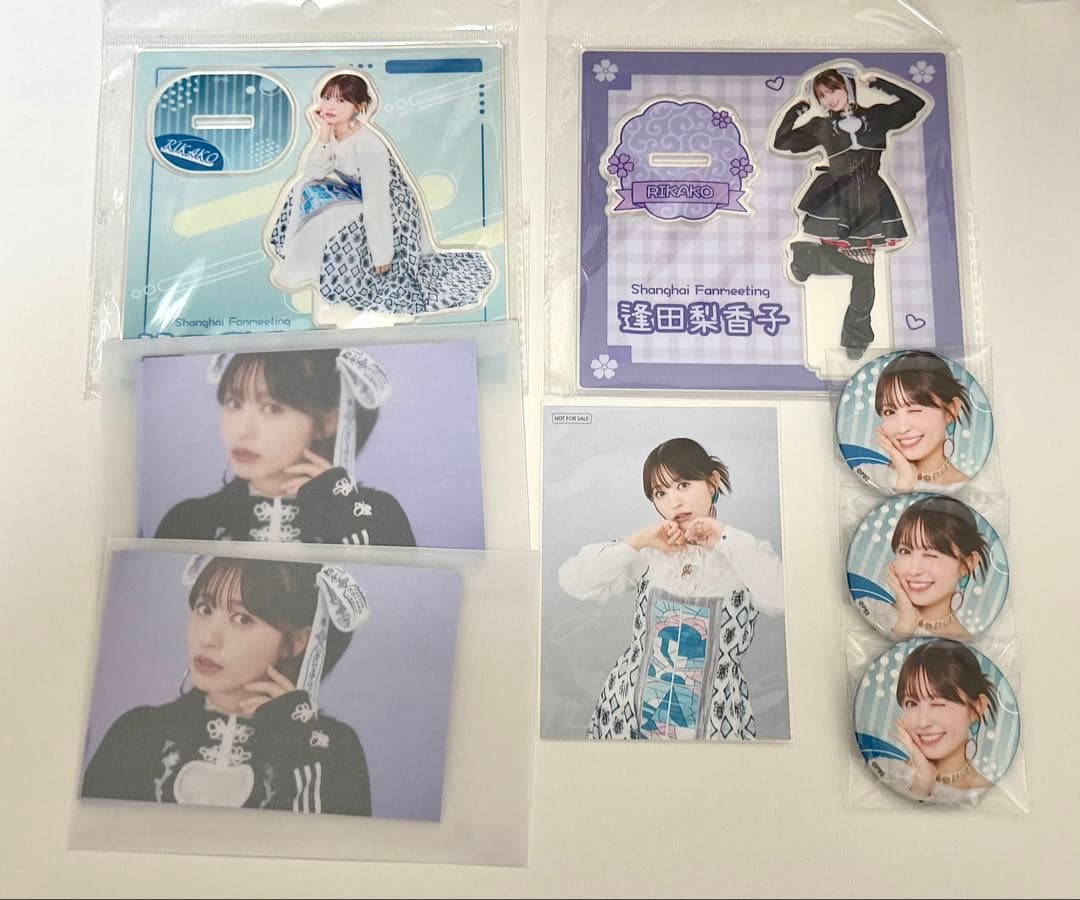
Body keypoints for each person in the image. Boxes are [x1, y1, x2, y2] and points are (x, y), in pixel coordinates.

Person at [82, 557, 373, 816]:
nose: (208, 638)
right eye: (204, 608)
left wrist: (295, 743)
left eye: (242, 619)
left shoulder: (333, 750)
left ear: (295, 643)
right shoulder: (137, 732)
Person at [558, 438, 783, 740]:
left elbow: (782, 598)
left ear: (713, 482)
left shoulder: (742, 553)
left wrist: (722, 537)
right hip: (625, 720)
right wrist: (639, 540)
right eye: (660, 493)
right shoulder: (651, 554)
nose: (673, 502)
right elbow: (573, 580)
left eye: (683, 485)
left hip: (714, 728)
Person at [267, 71, 493, 318]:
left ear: (358, 106)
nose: (330, 106)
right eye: (326, 98)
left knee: (328, 215)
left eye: (341, 101)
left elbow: (378, 203)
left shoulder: (367, 144)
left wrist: (382, 255)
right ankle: (298, 257)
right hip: (359, 197)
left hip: (393, 214)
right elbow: (313, 172)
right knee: (304, 187)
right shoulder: (334, 133)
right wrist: (322, 133)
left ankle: (309, 267)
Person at [155, 348, 416, 547]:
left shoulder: (378, 517)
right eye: (234, 403)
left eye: (271, 408)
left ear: (327, 422)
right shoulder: (188, 520)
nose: (242, 430)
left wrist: (343, 517)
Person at [771, 66, 928, 358]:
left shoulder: (877, 117)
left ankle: (808, 258)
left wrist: (880, 83)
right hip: (837, 201)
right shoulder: (821, 125)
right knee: (864, 272)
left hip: (871, 198)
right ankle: (855, 334)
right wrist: (796, 110)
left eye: (834, 90)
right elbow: (782, 142)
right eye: (822, 95)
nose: (829, 98)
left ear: (847, 87)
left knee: (864, 272)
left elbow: (915, 105)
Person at [875, 639, 998, 805]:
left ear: (976, 709)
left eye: (938, 704)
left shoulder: (990, 794)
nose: (923, 722)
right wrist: (923, 781)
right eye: (912, 703)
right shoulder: (885, 771)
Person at [879, 497, 989, 639]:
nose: (913, 570)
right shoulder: (870, 611)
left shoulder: (964, 643)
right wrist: (904, 626)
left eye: (931, 555)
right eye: (905, 551)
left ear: (967, 565)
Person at [868, 350, 972, 493]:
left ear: (950, 411)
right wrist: (905, 480)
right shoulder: (870, 475)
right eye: (889, 412)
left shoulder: (967, 489)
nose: (902, 428)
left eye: (915, 410)